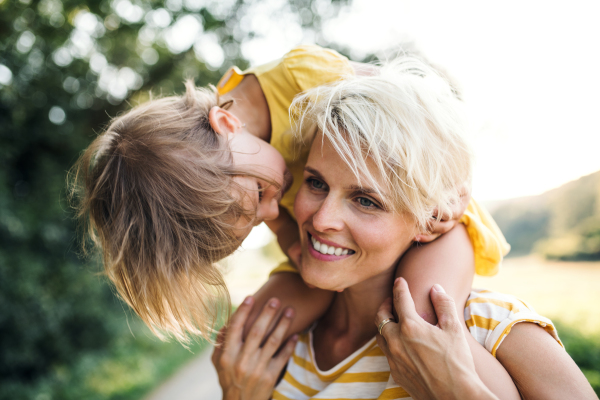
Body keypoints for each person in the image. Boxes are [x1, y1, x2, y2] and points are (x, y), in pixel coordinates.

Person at [70, 45, 508, 344]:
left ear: (224, 124)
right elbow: (297, 248)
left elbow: (425, 119)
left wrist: (446, 198)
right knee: (242, 340)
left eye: (260, 193)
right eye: (256, 220)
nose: (272, 208)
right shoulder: (226, 177)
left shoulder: (304, 77)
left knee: (420, 327)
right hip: (338, 249)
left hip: (433, 218)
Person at [212, 58, 595, 399]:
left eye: (366, 200)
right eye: (316, 183)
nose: (322, 218)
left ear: (429, 221)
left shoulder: (494, 331)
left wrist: (461, 392)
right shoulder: (271, 350)